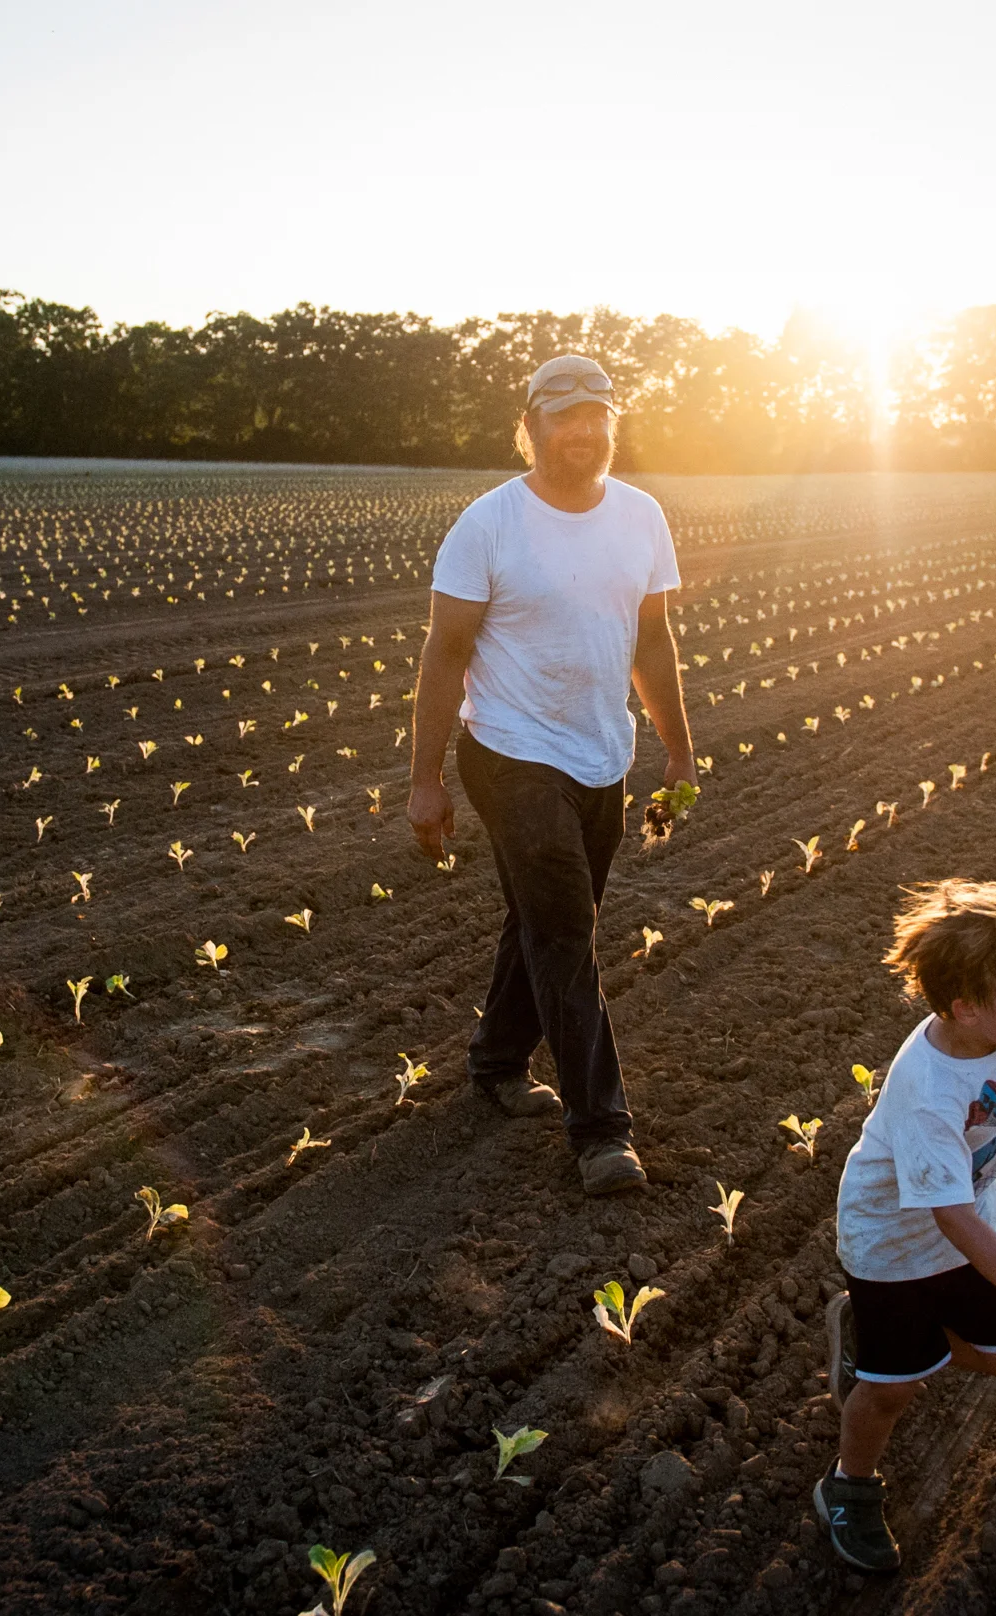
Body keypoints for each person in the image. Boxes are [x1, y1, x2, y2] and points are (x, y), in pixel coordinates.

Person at [406, 353, 696, 1197]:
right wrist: (426, 778)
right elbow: (444, 653)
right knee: (567, 930)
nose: (581, 431)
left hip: (601, 753)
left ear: (614, 424)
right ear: (530, 427)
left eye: (596, 416)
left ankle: (498, 1064)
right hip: (508, 751)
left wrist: (677, 749)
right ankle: (601, 1132)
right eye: (562, 417)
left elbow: (652, 642)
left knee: (543, 919)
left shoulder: (641, 518)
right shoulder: (488, 525)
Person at [814, 878, 996, 1572]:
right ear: (968, 1009)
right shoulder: (928, 1093)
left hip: (964, 1222)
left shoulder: (992, 1036)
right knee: (891, 1392)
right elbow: (948, 1220)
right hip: (893, 1246)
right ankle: (848, 1486)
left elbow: (962, 1211)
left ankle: (882, 1340)